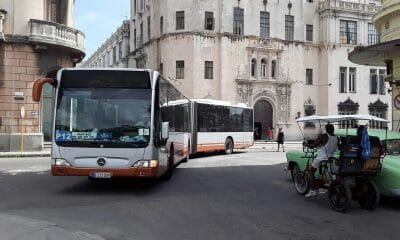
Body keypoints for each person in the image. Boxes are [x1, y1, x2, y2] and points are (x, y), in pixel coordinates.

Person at [303, 123, 338, 197]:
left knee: (311, 171)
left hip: (322, 157)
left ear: (326, 129)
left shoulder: (324, 136)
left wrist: (305, 144)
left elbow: (312, 146)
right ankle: (328, 183)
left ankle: (312, 190)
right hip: (331, 157)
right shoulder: (336, 137)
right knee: (332, 173)